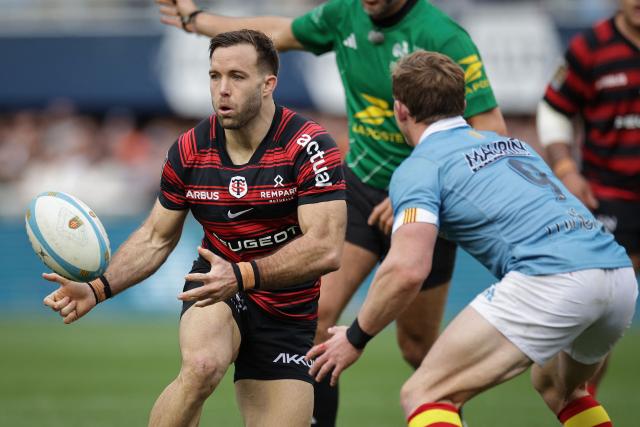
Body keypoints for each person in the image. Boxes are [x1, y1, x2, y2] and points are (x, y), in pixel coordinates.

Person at [154, 1, 507, 423]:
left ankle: (445, 413)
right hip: (360, 189)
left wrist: (421, 185)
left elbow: (492, 130)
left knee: (417, 348)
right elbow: (274, 34)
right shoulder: (345, 15)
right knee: (319, 320)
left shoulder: (445, 36)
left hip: (426, 199)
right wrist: (198, 22)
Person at [307, 50, 638, 427]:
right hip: (617, 275)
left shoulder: (420, 166)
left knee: (424, 392)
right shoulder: (516, 147)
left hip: (552, 279)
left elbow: (407, 269)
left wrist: (355, 337)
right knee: (558, 387)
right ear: (463, 104)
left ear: (399, 110)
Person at [43, 29, 347, 427]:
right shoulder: (189, 149)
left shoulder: (308, 146)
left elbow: (325, 248)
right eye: (214, 76)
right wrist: (98, 288)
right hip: (214, 282)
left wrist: (242, 275)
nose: (222, 89)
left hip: (286, 309)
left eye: (237, 77)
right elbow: (156, 238)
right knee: (202, 365)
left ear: (268, 84)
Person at [537, 0, 640, 395]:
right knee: (603, 313)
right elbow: (554, 109)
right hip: (609, 197)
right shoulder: (591, 46)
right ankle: (583, 403)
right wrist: (566, 170)